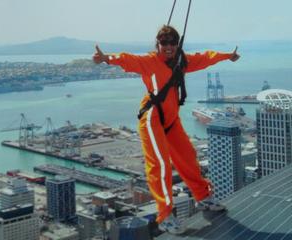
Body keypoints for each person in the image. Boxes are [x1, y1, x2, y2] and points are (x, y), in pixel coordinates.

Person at [93, 25, 240, 234]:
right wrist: (107, 58)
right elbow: (127, 59)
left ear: (177, 44)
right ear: (158, 44)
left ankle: (203, 198)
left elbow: (205, 57)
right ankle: (164, 216)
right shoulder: (150, 61)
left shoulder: (181, 62)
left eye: (173, 42)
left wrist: (228, 56)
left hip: (170, 120)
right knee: (160, 165)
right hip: (152, 118)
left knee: (188, 156)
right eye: (164, 42)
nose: (169, 46)